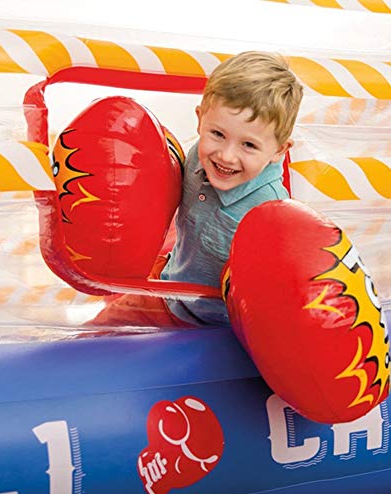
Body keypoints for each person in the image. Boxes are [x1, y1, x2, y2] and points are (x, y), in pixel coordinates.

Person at [90, 50, 303, 328]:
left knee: (102, 334)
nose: (226, 156)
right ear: (200, 119)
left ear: (279, 150)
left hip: (207, 322)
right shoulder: (197, 156)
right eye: (217, 134)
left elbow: (276, 296)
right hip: (169, 281)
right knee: (99, 326)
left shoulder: (270, 214)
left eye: (248, 145)